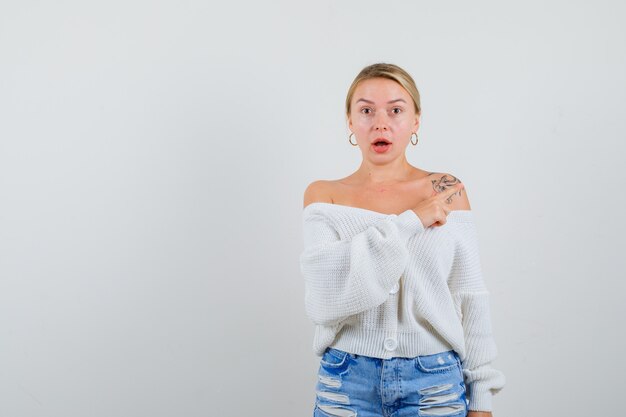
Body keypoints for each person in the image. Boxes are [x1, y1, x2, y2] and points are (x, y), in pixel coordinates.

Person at [299, 63, 505, 417]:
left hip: (434, 383)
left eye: (396, 110)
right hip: (346, 384)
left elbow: (470, 294)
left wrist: (482, 398)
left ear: (416, 121)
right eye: (366, 110)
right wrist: (413, 221)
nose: (381, 123)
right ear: (350, 122)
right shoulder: (323, 197)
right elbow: (326, 299)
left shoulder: (448, 190)